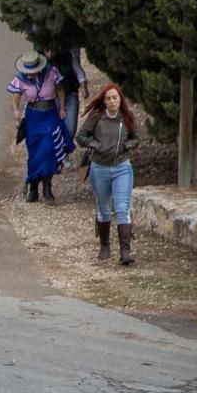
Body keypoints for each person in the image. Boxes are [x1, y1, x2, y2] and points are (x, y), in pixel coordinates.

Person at [76, 83, 139, 265]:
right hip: (99, 167)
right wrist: (96, 145)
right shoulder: (97, 117)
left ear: (120, 99)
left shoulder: (126, 118)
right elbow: (81, 137)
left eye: (115, 98)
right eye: (108, 98)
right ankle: (104, 245)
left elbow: (136, 138)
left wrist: (127, 146)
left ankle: (125, 251)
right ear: (104, 101)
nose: (112, 101)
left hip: (122, 167)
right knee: (103, 208)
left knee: (122, 208)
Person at [9, 51, 73, 203]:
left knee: (49, 150)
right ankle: (33, 187)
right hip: (33, 117)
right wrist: (16, 111)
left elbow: (60, 90)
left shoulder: (51, 72)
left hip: (50, 114)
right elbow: (16, 97)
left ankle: (47, 187)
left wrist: (62, 107)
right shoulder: (20, 78)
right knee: (35, 153)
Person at [48, 48, 89, 158]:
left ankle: (64, 151)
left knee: (71, 128)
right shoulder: (44, 63)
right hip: (52, 98)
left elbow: (79, 71)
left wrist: (83, 86)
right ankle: (56, 154)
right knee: (54, 127)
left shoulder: (69, 57)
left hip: (70, 94)